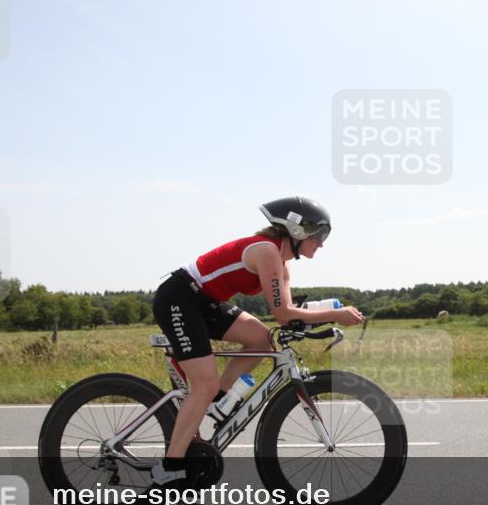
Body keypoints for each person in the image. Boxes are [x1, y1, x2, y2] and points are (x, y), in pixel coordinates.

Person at [150, 196, 364, 485]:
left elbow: (289, 315)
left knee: (262, 340)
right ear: (297, 230)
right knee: (204, 383)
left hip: (206, 302)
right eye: (319, 234)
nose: (322, 243)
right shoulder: (266, 252)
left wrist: (324, 316)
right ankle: (170, 468)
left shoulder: (283, 264)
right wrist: (336, 315)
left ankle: (215, 403)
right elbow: (284, 313)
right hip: (180, 298)